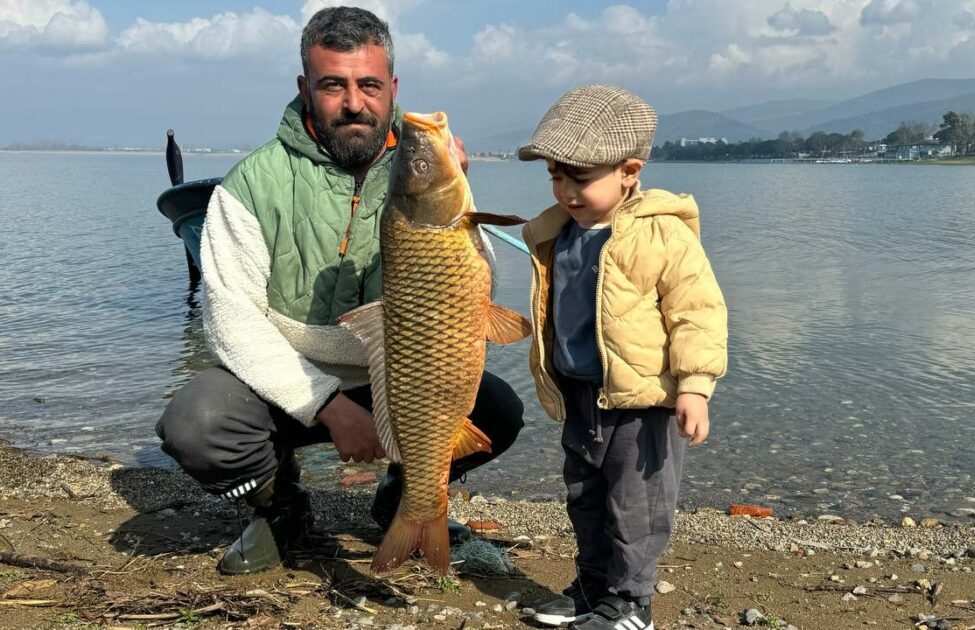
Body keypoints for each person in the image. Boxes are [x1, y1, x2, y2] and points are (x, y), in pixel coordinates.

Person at [155, 6, 524, 575]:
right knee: (197, 423)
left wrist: (463, 196)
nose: (355, 102)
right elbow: (232, 323)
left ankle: (408, 495)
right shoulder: (251, 185)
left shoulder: (426, 171)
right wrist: (327, 406)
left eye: (370, 85)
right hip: (287, 384)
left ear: (392, 86)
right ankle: (281, 510)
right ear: (306, 87)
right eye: (334, 85)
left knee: (498, 409)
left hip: (401, 380)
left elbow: (467, 301)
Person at [518, 85, 727, 630]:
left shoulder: (664, 235)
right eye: (556, 176)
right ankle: (592, 588)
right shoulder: (558, 233)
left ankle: (632, 603)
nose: (566, 190)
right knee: (584, 496)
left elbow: (697, 312)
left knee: (636, 506)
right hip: (581, 392)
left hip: (642, 403)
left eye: (580, 178)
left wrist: (695, 386)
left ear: (629, 171)